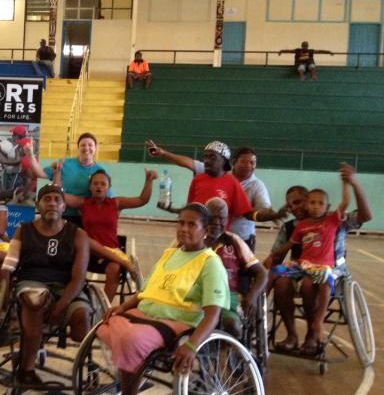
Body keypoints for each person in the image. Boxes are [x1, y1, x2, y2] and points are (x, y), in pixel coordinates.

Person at [96, 203, 229, 395]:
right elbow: (144, 292)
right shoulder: (169, 254)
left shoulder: (210, 263)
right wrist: (122, 306)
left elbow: (213, 314)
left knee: (130, 339)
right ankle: (130, 383)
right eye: (181, 223)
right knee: (109, 322)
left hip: (177, 323)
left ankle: (128, 389)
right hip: (146, 314)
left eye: (192, 225)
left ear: (205, 231)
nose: (184, 229)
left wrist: (191, 346)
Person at [0, 184, 91, 386]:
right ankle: (27, 370)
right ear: (38, 205)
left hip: (66, 286)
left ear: (64, 207)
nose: (51, 203)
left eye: (56, 199)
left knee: (81, 321)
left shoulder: (78, 235)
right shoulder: (23, 230)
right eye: (46, 199)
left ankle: (38, 339)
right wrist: (4, 296)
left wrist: (62, 305)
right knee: (35, 300)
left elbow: (79, 277)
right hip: (32, 281)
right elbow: (9, 266)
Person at [265, 177, 352, 355]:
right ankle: (262, 311)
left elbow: (361, 213)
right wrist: (271, 258)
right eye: (290, 205)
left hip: (328, 269)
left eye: (298, 202)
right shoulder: (297, 226)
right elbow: (286, 247)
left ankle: (314, 329)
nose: (294, 208)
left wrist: (350, 183)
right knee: (278, 279)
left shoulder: (332, 220)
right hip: (303, 265)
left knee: (308, 284)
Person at [146, 141, 284, 250]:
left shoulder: (234, 183)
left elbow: (247, 213)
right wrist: (170, 209)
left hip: (221, 241)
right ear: (235, 162)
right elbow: (192, 211)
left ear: (224, 161)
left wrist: (273, 215)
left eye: (212, 157)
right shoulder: (198, 179)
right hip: (194, 239)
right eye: (205, 156)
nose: (207, 160)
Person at [54, 168, 155, 301]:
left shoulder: (116, 203)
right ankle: (126, 263)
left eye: (103, 184)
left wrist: (149, 180)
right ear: (90, 187)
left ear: (109, 187)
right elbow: (60, 194)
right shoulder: (83, 203)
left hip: (110, 253)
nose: (99, 187)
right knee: (84, 239)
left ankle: (104, 309)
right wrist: (57, 172)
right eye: (95, 184)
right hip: (88, 253)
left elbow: (142, 200)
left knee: (114, 268)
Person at [203, 198, 267, 338]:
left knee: (232, 326)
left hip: (227, 297)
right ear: (204, 217)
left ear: (227, 219)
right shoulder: (194, 238)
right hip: (198, 295)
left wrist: (252, 295)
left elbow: (261, 273)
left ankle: (230, 354)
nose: (217, 222)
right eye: (212, 218)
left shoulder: (234, 241)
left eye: (221, 218)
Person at [27, 132, 110, 226]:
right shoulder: (65, 163)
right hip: (61, 216)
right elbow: (40, 173)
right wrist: (30, 155)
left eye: (90, 145)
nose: (86, 148)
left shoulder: (100, 171)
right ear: (78, 148)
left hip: (86, 218)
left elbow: (106, 198)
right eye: (83, 145)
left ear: (95, 148)